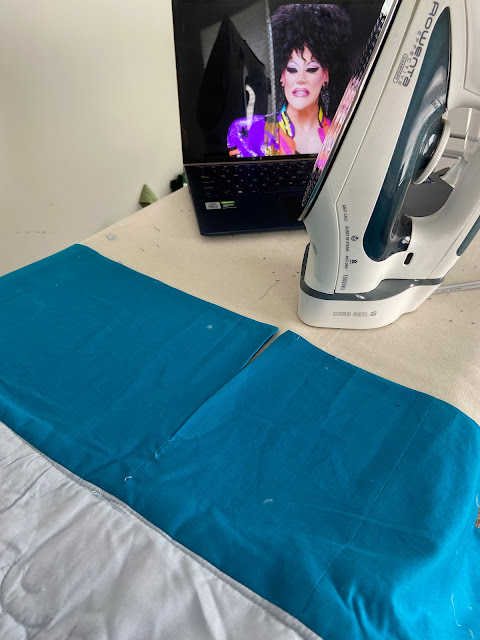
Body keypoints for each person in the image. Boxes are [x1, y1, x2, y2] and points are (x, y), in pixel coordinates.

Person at [227, 4, 352, 157]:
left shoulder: (343, 135)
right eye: (292, 69)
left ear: (325, 75)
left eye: (311, 69)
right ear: (282, 76)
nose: (301, 79)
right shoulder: (250, 133)